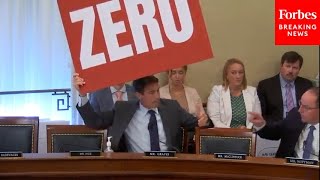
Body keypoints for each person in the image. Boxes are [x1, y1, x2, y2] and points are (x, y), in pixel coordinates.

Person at [73, 74, 208, 152]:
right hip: (135, 165)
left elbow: (196, 123)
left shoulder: (171, 107)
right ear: (138, 95)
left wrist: (202, 120)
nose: (157, 96)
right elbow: (95, 122)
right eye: (151, 92)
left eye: (157, 91)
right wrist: (83, 95)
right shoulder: (123, 109)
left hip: (168, 163)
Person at [249, 87, 319, 160]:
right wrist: (261, 124)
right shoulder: (295, 116)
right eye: (300, 103)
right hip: (288, 167)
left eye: (306, 107)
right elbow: (276, 132)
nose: (300, 110)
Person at [160, 66, 208, 153]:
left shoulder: (192, 92)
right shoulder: (160, 92)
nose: (177, 76)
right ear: (168, 74)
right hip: (170, 136)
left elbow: (202, 115)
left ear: (185, 73)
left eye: (180, 72)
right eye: (174, 72)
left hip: (191, 135)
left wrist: (202, 118)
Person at [257, 51, 313, 123]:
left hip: (301, 126)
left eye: (295, 68)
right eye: (288, 66)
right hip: (276, 127)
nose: (290, 71)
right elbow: (262, 114)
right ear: (281, 66)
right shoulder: (265, 85)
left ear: (299, 69)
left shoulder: (306, 85)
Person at [207, 58, 261, 128]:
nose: (238, 76)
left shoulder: (252, 91)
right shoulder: (217, 91)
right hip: (224, 134)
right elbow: (215, 120)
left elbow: (257, 118)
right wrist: (234, 132)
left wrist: (246, 130)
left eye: (240, 72)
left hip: (247, 134)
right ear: (226, 75)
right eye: (233, 73)